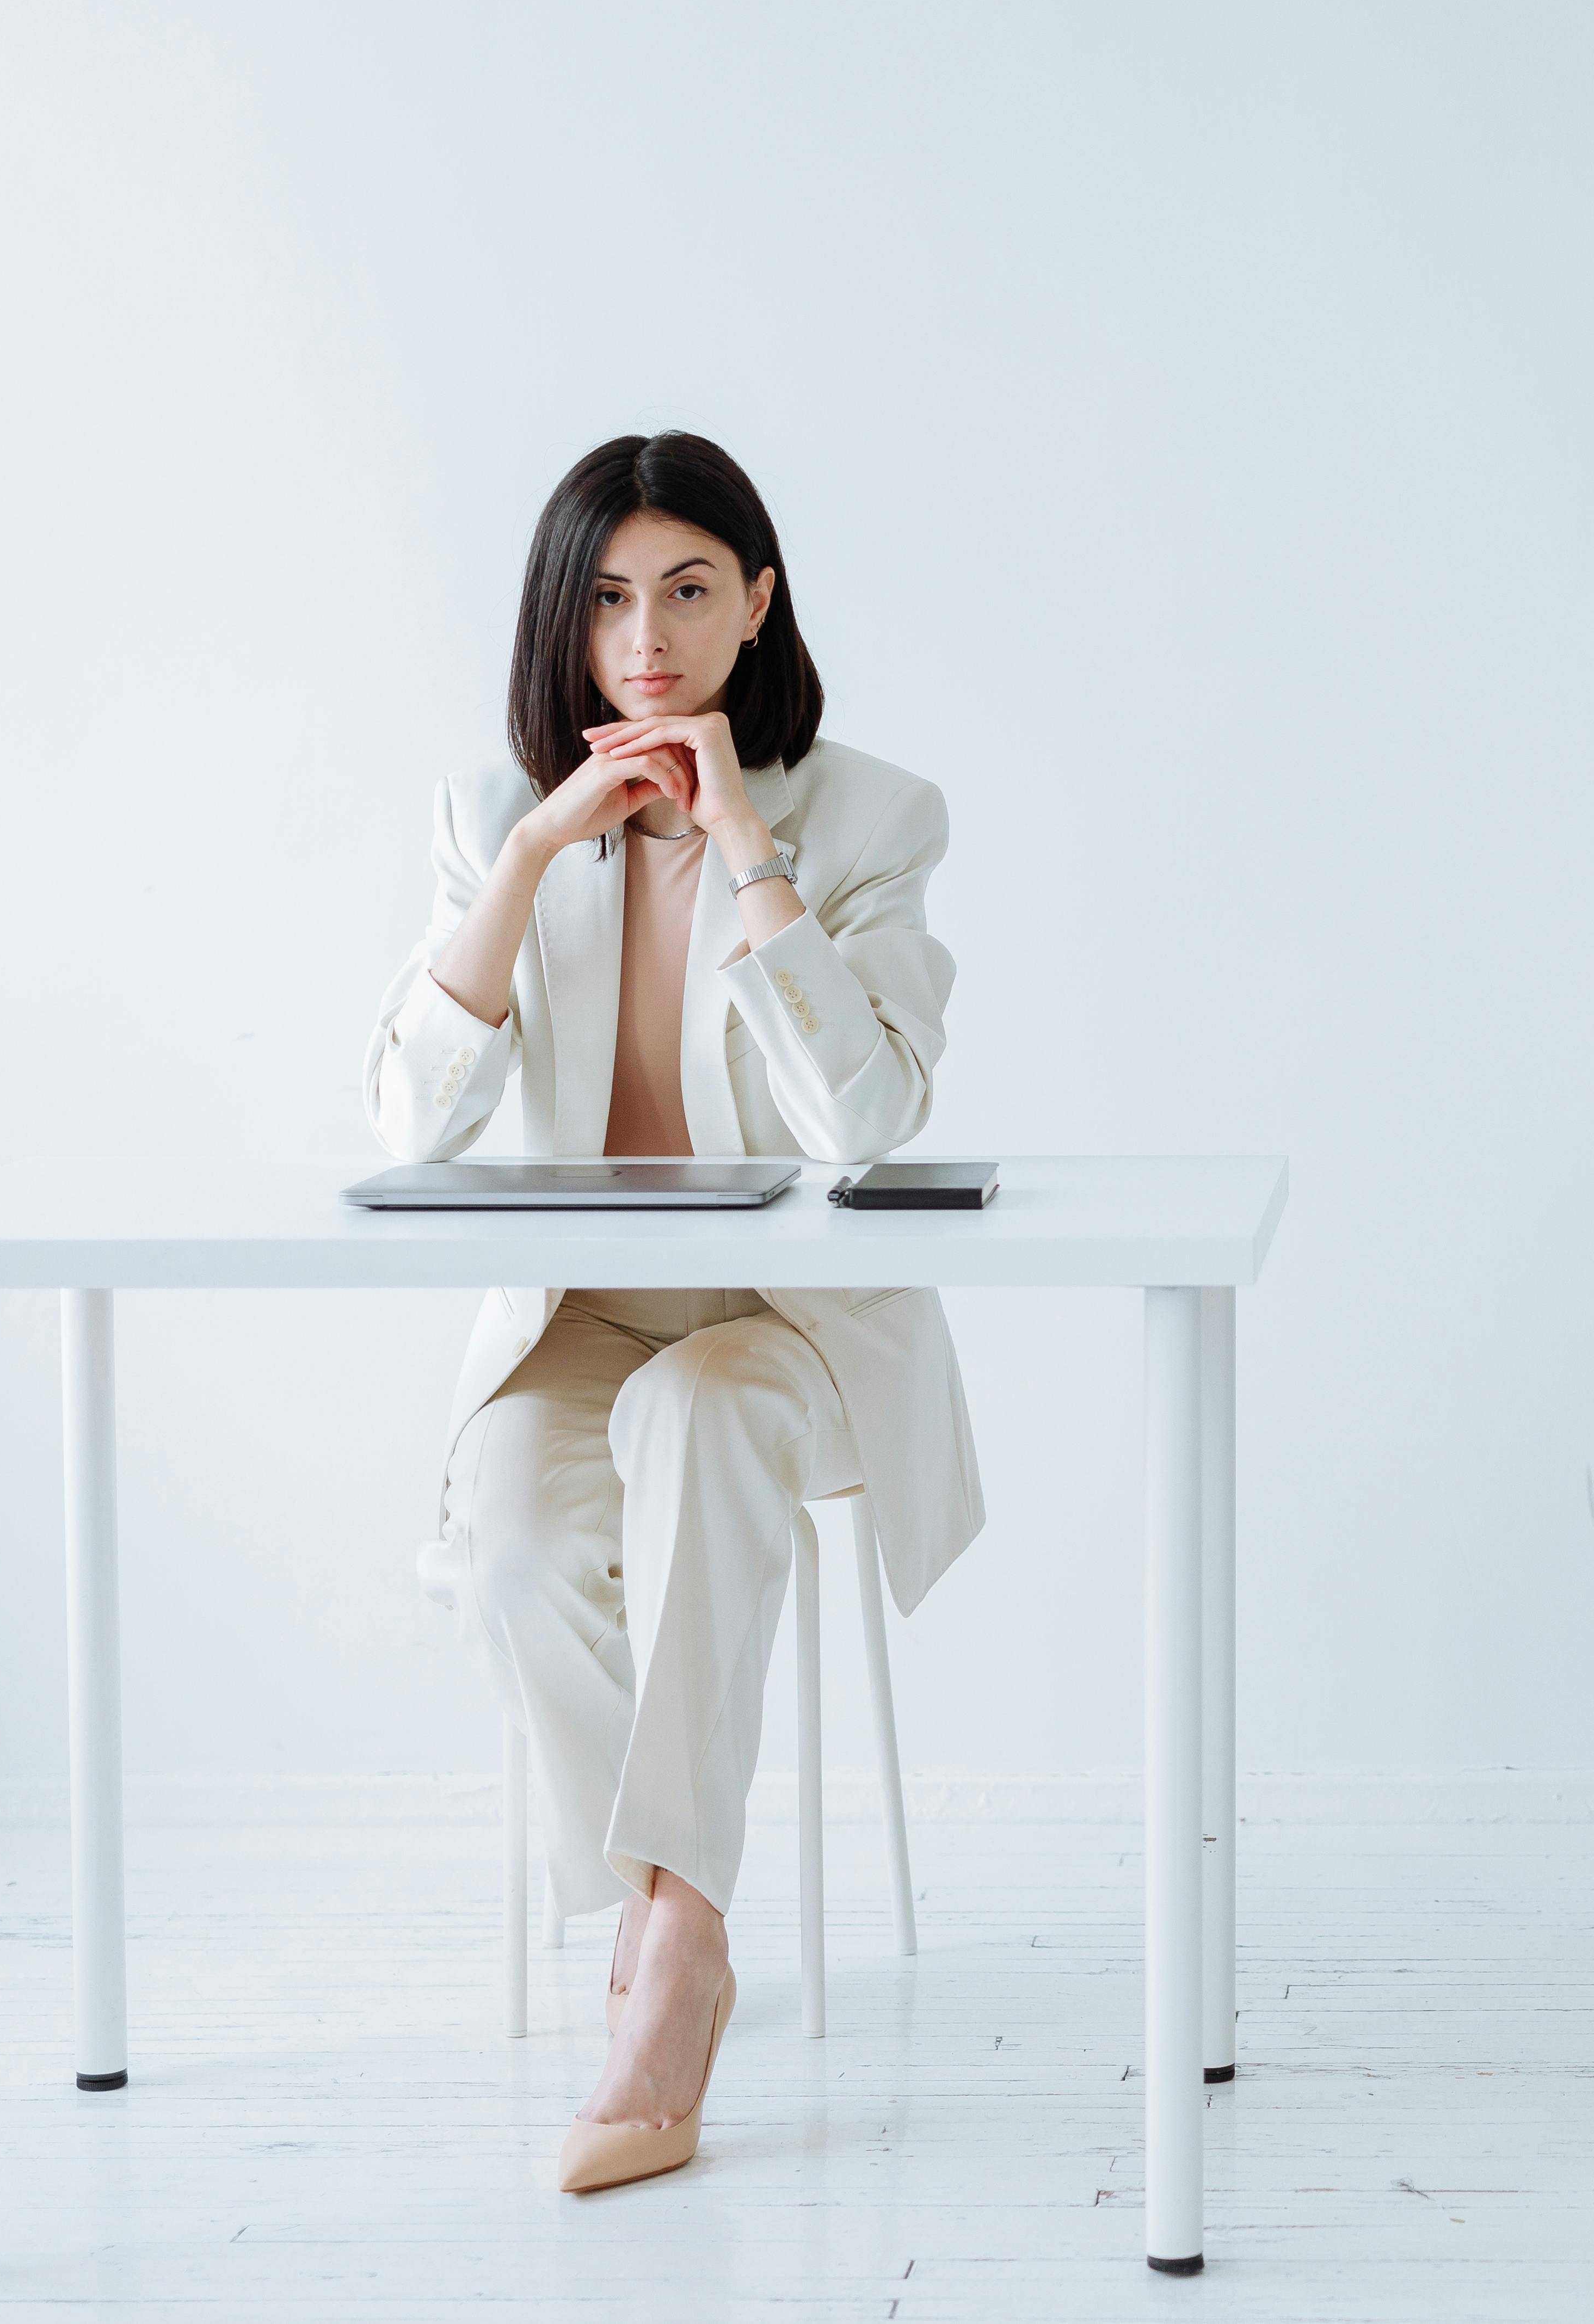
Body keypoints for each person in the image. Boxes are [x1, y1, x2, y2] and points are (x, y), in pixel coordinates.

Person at [360, 431, 983, 2191]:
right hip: (580, 1318)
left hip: (782, 1320)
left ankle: (679, 1959)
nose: (648, 637)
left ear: (758, 602)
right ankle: (654, 1907)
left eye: (691, 590)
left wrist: (742, 849)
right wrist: (533, 855)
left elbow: (865, 1121)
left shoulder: (871, 815)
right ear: (565, 619)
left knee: (700, 1418)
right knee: (503, 1537)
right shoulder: (492, 817)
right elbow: (412, 1119)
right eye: (612, 597)